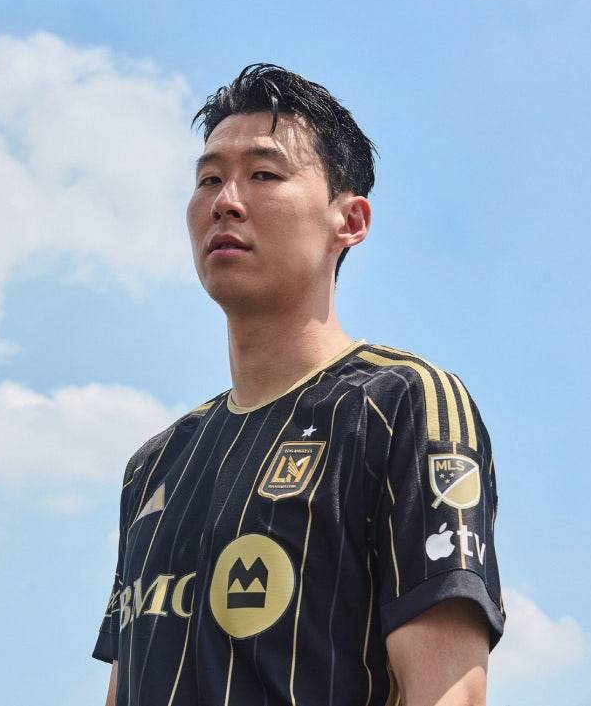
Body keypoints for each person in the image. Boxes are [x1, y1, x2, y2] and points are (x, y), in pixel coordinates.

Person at [92, 63, 505, 706]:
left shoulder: (402, 404)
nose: (226, 201)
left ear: (351, 220)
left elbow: (449, 692)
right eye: (208, 179)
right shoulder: (155, 465)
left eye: (264, 174)